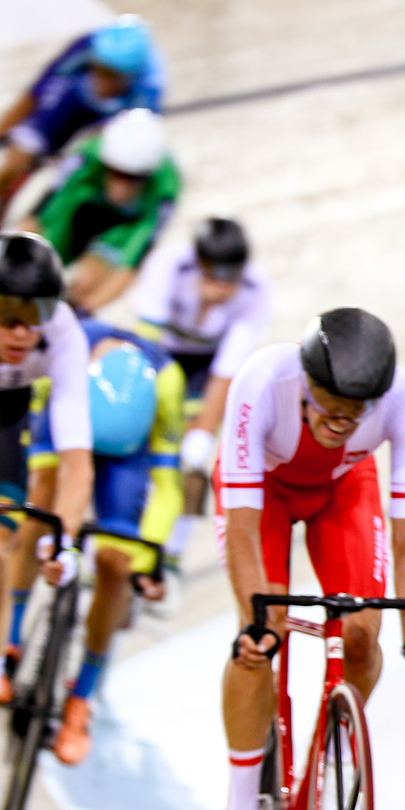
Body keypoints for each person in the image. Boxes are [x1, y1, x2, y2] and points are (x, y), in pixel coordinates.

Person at [217, 307, 405, 810]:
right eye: (327, 404)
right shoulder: (262, 381)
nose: (341, 419)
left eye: (356, 411)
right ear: (305, 382)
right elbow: (244, 529)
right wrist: (257, 621)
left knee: (360, 630)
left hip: (342, 489)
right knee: (262, 636)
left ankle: (335, 759)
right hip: (261, 494)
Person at [13, 321, 183, 764]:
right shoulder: (67, 349)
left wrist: (149, 557)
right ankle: (10, 638)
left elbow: (167, 483)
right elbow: (32, 437)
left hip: (127, 457)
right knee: (43, 501)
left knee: (115, 561)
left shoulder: (166, 382)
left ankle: (81, 699)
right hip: (67, 429)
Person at [0, 234, 92, 809]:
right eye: (7, 317)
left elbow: (75, 457)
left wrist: (63, 540)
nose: (21, 333)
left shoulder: (63, 333)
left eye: (33, 317)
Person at [133, 216, 272, 568]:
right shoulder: (167, 265)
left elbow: (226, 374)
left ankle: (173, 556)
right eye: (213, 274)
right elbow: (146, 342)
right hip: (160, 354)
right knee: (140, 441)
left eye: (231, 277)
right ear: (197, 264)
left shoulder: (257, 291)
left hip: (207, 365)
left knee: (194, 463)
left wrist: (200, 439)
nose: (223, 285)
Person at [0, 15, 165, 248]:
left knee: (72, 180)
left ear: (131, 77)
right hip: (72, 98)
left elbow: (125, 144)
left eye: (112, 76)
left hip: (110, 120)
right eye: (99, 70)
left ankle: (30, 232)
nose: (102, 81)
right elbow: (30, 99)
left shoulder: (149, 90)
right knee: (15, 161)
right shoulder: (84, 47)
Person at [22, 109, 180, 317]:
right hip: (80, 211)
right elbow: (39, 213)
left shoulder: (165, 188)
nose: (122, 187)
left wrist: (86, 308)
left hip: (123, 227)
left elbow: (132, 264)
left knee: (85, 285)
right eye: (116, 173)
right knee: (33, 264)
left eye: (134, 179)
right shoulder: (86, 155)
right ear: (105, 164)